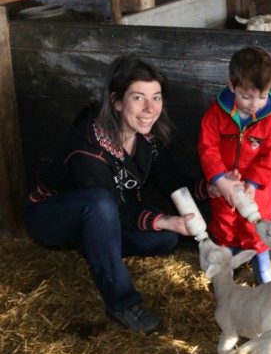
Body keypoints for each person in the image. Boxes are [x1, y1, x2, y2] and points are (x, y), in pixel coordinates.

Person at [24, 55, 213, 335]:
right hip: (52, 216)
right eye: (138, 98)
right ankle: (121, 302)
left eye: (157, 98)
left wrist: (211, 188)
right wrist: (164, 219)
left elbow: (172, 181)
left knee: (165, 238)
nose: (150, 109)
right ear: (116, 101)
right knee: (100, 205)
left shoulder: (146, 135)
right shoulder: (88, 145)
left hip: (105, 217)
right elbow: (112, 207)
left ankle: (95, 246)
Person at [198, 46, 271, 284]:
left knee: (256, 229)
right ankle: (227, 271)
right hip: (224, 186)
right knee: (225, 228)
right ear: (232, 87)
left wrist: (253, 182)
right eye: (246, 96)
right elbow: (208, 148)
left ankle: (263, 274)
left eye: (262, 96)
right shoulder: (215, 115)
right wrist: (219, 179)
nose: (255, 104)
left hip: (258, 190)